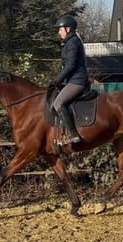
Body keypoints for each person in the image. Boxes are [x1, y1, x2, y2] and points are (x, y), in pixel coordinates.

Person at [51, 15, 90, 145]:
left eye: (60, 29)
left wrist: (57, 80)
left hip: (77, 81)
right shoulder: (71, 42)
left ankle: (73, 134)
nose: (59, 32)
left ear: (68, 29)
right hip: (73, 79)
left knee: (58, 104)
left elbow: (70, 65)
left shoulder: (72, 42)